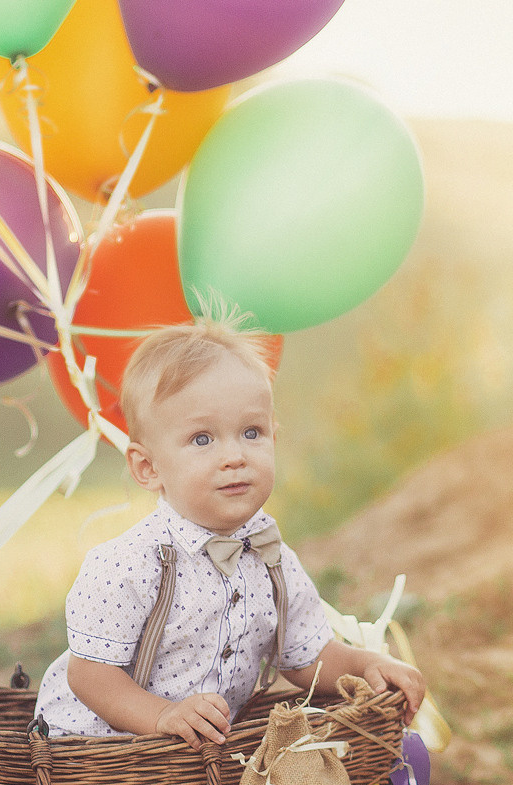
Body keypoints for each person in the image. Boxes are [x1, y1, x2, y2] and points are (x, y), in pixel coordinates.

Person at [32, 316, 426, 746]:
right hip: (98, 752)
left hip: (198, 751)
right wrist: (162, 714)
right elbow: (90, 675)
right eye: (203, 439)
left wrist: (364, 664)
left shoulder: (271, 556)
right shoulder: (128, 564)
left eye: (251, 432)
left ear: (274, 437)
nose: (234, 456)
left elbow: (306, 658)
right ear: (148, 468)